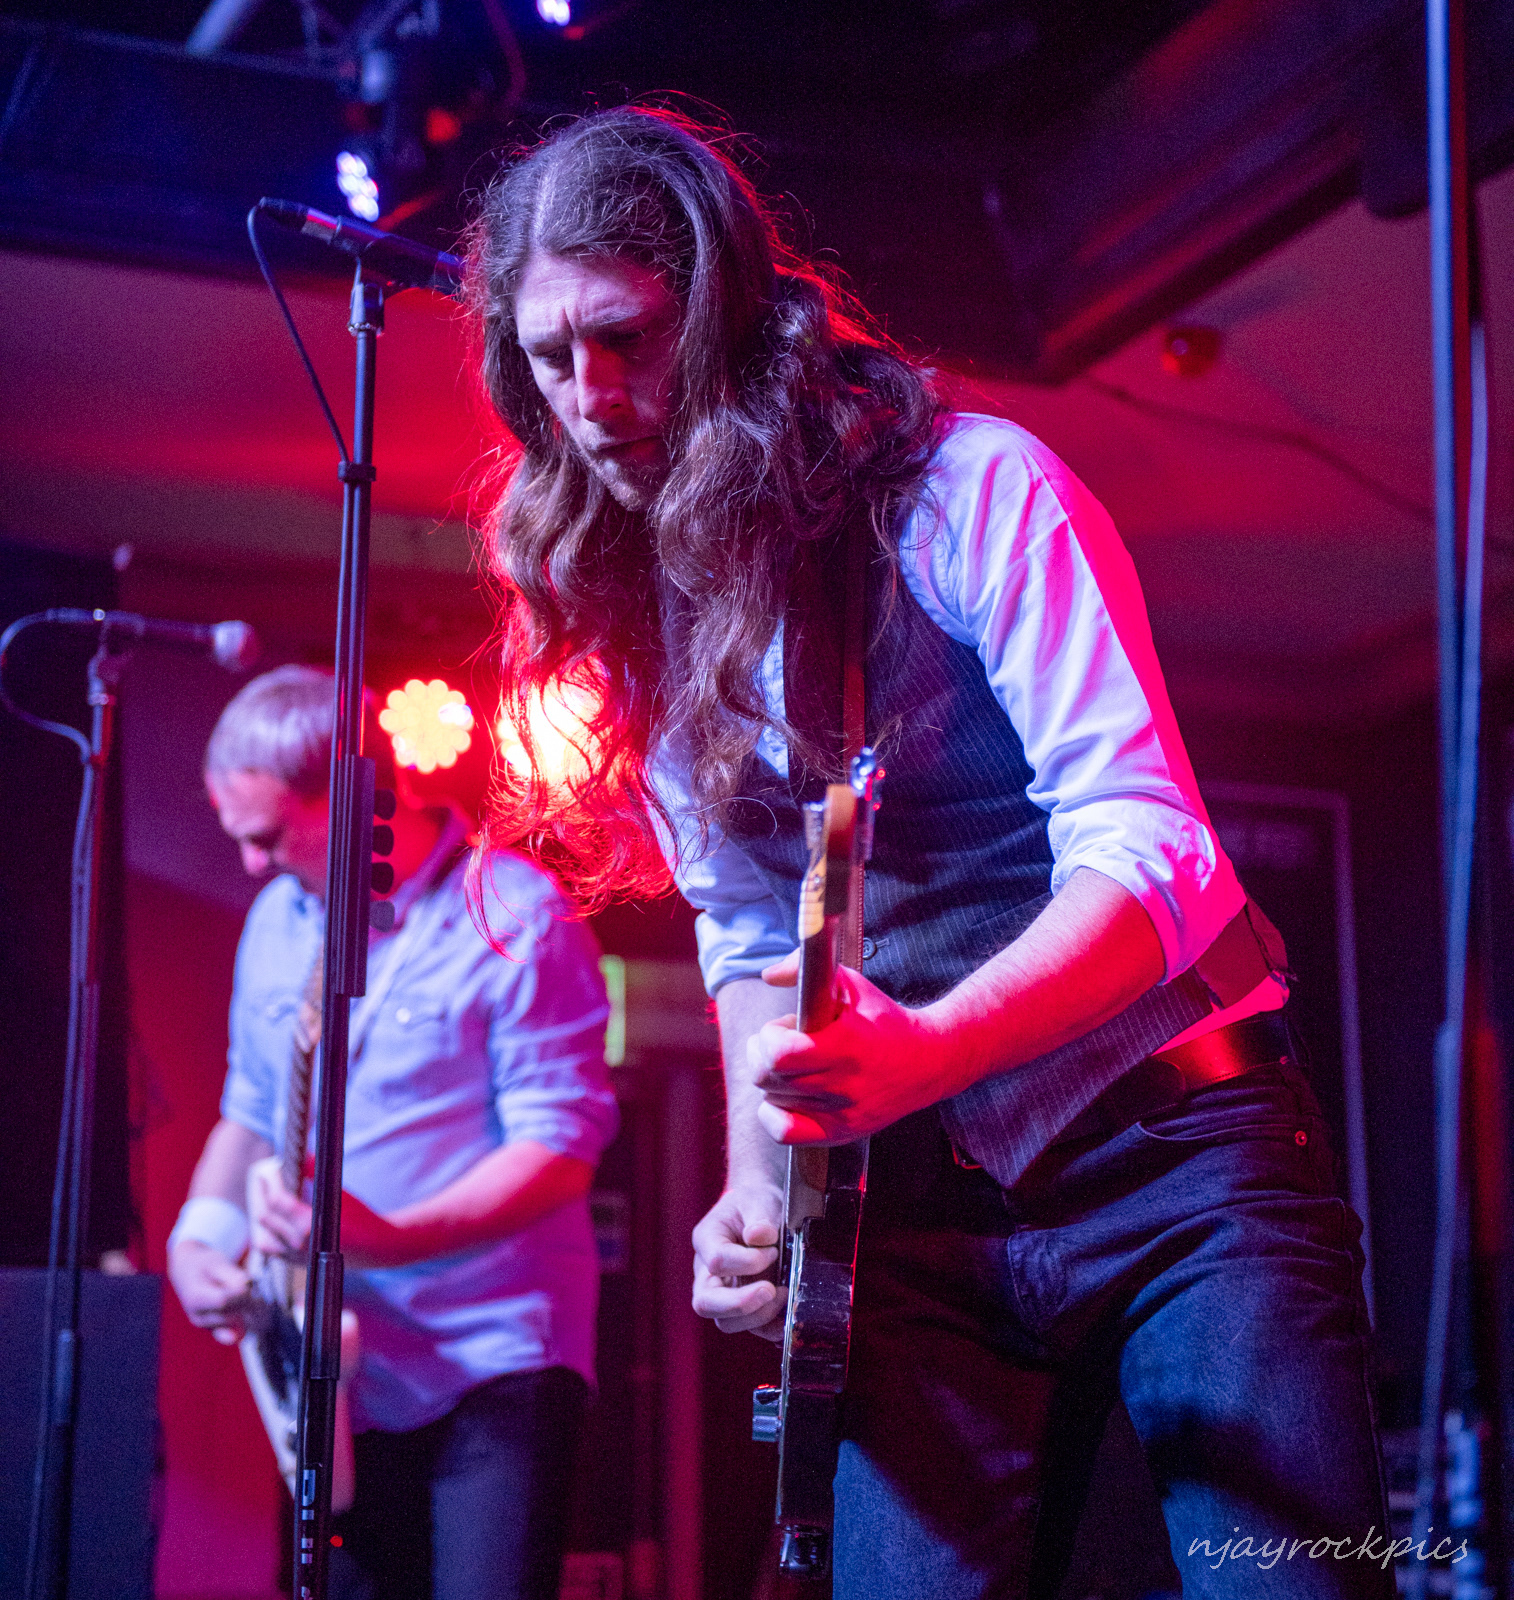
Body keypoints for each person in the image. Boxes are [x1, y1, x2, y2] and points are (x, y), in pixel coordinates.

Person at [465, 107, 1392, 1598]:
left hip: (1178, 1162)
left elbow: (1150, 847)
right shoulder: (642, 609)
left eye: (626, 338)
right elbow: (746, 927)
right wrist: (760, 1188)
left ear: (723, 313)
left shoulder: (972, 489)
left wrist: (934, 1048)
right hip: (915, 1221)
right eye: (552, 359)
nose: (594, 395)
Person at [165, 664, 617, 1600]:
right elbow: (251, 1109)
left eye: (267, 836)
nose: (248, 864)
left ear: (352, 795)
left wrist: (384, 1235)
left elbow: (559, 1151)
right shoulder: (276, 922)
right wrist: (198, 1239)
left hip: (493, 1362)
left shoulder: (519, 914)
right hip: (340, 1373)